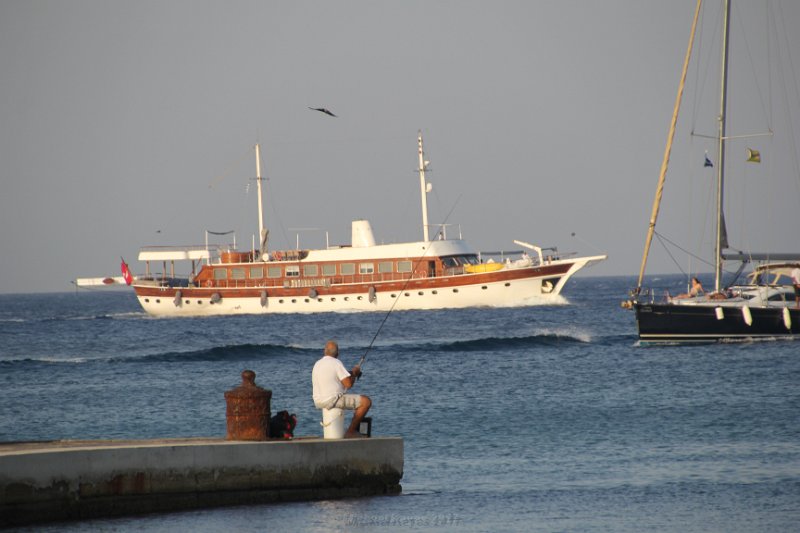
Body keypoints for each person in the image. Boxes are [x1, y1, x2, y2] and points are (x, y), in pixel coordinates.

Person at [312, 340, 372, 438]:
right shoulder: (336, 363)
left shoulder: (317, 364)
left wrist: (351, 374)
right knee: (366, 402)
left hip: (318, 401)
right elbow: (348, 384)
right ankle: (351, 431)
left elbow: (331, 380)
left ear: (324, 351)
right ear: (338, 353)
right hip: (332, 400)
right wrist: (355, 374)